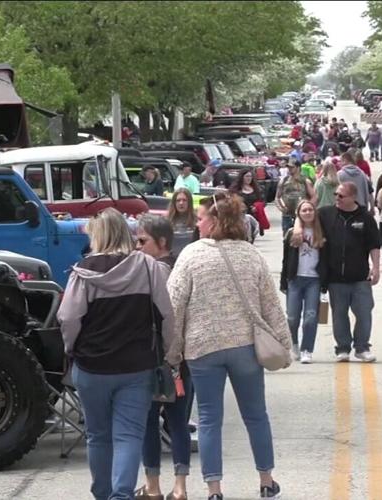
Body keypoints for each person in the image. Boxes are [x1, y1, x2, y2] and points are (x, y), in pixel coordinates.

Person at [168, 192, 290, 500]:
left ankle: (214, 488)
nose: (197, 224)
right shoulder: (251, 255)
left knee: (209, 418)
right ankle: (266, 479)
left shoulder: (191, 256)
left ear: (215, 221)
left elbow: (174, 306)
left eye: (200, 218)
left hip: (202, 347)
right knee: (255, 414)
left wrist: (173, 353)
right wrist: (284, 344)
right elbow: (271, 305)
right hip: (245, 346)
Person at [58, 207, 177, 500]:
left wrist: (71, 347)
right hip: (137, 366)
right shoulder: (148, 267)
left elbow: (69, 317)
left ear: (98, 236)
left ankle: (102, 492)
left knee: (98, 436)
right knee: (129, 435)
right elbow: (167, 315)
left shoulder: (83, 272)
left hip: (92, 367)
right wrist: (168, 353)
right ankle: (121, 495)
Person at [134, 215, 194, 500]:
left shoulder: (148, 272)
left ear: (161, 242)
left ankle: (153, 486)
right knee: (178, 422)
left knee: (148, 423)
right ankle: (180, 488)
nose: (137, 246)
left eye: (142, 241)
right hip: (180, 358)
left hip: (152, 356)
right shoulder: (182, 269)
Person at [318, 182, 381, 363]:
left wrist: (375, 268)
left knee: (363, 312)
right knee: (339, 314)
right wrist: (298, 228)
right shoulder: (326, 214)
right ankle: (342, 348)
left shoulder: (365, 218)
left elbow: (374, 245)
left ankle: (362, 348)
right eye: (336, 194)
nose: (336, 198)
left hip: (360, 277)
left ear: (353, 197)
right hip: (335, 277)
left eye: (341, 196)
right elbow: (303, 216)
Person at [280, 200, 326, 365]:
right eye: (304, 210)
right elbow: (286, 259)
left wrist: (325, 282)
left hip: (314, 280)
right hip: (295, 279)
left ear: (315, 212)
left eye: (310, 210)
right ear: (299, 214)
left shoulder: (321, 232)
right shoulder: (293, 232)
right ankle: (294, 344)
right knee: (292, 317)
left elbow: (326, 258)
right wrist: (283, 281)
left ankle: (308, 349)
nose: (307, 213)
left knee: (310, 317)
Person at [275, 161, 316, 233]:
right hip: (287, 214)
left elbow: (314, 196)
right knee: (287, 236)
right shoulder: (284, 180)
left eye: (292, 167)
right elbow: (277, 197)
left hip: (301, 215)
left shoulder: (305, 180)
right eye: (288, 167)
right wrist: (281, 207)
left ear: (298, 168)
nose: (289, 169)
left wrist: (307, 208)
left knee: (301, 235)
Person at [231, 170, 270, 235]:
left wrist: (257, 207)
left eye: (250, 176)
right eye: (247, 176)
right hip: (239, 216)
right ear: (242, 177)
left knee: (251, 234)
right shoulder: (235, 190)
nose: (249, 178)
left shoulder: (257, 189)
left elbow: (263, 201)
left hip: (253, 216)